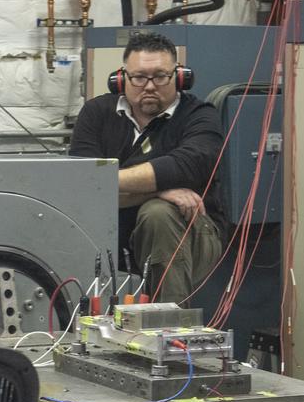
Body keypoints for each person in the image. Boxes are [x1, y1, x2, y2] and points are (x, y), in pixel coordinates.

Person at [69, 31, 226, 304]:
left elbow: (182, 167)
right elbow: (81, 186)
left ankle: (169, 323)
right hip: (109, 230)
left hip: (191, 231)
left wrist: (120, 187)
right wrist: (156, 189)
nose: (150, 85)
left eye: (161, 76)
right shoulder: (96, 113)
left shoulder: (200, 117)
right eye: (139, 77)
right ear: (121, 78)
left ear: (179, 77)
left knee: (159, 213)